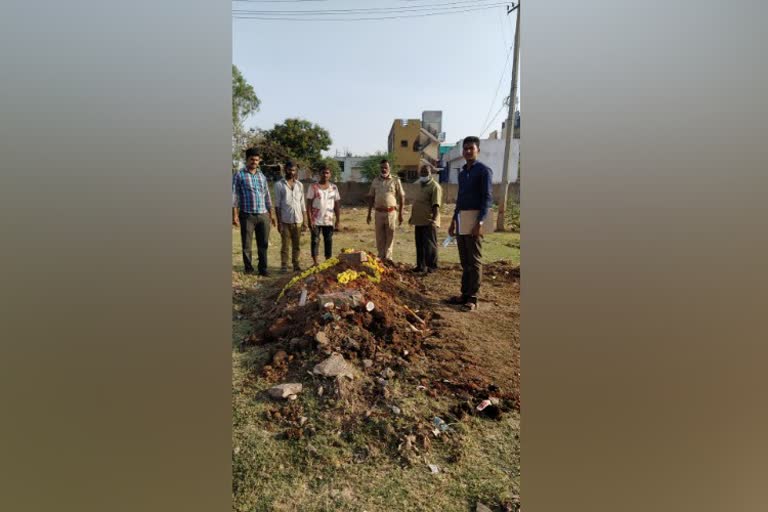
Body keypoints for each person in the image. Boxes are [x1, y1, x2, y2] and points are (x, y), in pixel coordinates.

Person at [447, 136, 493, 311]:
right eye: (465, 148)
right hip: (462, 219)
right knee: (464, 260)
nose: (467, 151)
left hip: (475, 219)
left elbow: (487, 199)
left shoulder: (483, 171)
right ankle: (464, 294)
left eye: (470, 148)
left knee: (474, 260)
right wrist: (453, 222)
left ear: (477, 150)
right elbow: (460, 200)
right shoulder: (462, 173)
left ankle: (473, 298)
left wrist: (480, 222)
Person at [232, 148, 276, 276]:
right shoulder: (239, 175)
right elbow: (234, 196)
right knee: (247, 244)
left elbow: (267, 196)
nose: (254, 162)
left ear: (259, 161)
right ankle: (248, 269)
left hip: (263, 215)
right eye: (252, 159)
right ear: (247, 160)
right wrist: (234, 215)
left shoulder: (262, 176)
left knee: (263, 244)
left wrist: (271, 214)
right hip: (247, 215)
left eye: (257, 160)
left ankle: (263, 269)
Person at [366, 159, 405, 261]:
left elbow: (402, 197)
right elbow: (370, 197)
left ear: (389, 168)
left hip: (391, 213)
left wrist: (401, 214)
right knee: (379, 237)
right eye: (382, 167)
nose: (383, 169)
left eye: (385, 167)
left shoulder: (396, 180)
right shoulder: (375, 180)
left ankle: (388, 258)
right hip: (378, 213)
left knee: (390, 236)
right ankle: (380, 256)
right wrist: (369, 213)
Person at [273, 161, 308, 272]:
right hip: (285, 220)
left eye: (293, 170)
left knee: (296, 245)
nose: (291, 172)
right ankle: (284, 265)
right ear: (285, 170)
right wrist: (279, 223)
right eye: (289, 170)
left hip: (298, 220)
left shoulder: (300, 185)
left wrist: (305, 221)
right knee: (285, 245)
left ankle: (296, 264)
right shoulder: (279, 185)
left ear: (295, 171)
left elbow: (302, 204)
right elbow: (277, 205)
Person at [408, 163, 442, 274]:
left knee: (430, 246)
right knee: (420, 245)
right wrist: (412, 217)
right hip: (418, 220)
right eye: (422, 172)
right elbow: (417, 203)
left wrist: (434, 220)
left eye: (426, 172)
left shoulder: (435, 187)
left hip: (429, 221)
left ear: (430, 173)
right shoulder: (419, 185)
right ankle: (420, 266)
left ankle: (431, 267)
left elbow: (436, 204)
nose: (423, 174)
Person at [306, 165, 341, 266]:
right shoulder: (313, 187)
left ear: (330, 175)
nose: (325, 175)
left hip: (328, 220)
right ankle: (315, 262)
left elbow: (337, 205)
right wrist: (309, 219)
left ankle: (327, 261)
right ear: (319, 174)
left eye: (327, 173)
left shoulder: (334, 187)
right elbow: (309, 204)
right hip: (315, 219)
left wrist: (338, 220)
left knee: (328, 240)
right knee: (315, 240)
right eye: (323, 173)